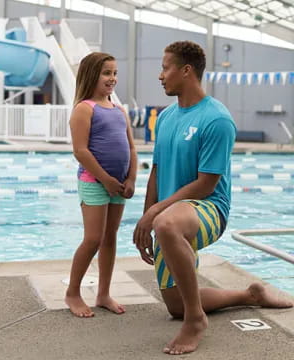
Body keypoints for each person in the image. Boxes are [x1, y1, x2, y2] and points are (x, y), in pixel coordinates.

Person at [133, 41, 293, 355]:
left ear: (186, 71)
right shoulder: (166, 118)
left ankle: (196, 321)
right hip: (170, 215)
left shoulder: (216, 119)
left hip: (208, 209)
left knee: (167, 223)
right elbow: (156, 172)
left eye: (166, 67)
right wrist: (145, 217)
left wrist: (157, 215)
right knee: (175, 304)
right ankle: (250, 294)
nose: (160, 75)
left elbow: (206, 184)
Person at [65, 52, 138, 318]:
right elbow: (81, 151)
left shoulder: (119, 110)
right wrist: (105, 179)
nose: (112, 78)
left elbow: (131, 146)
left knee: (110, 238)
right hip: (95, 182)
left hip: (117, 185)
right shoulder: (85, 108)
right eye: (106, 73)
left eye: (115, 73)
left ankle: (103, 293)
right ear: (91, 75)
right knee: (94, 238)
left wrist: (131, 178)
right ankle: (73, 292)